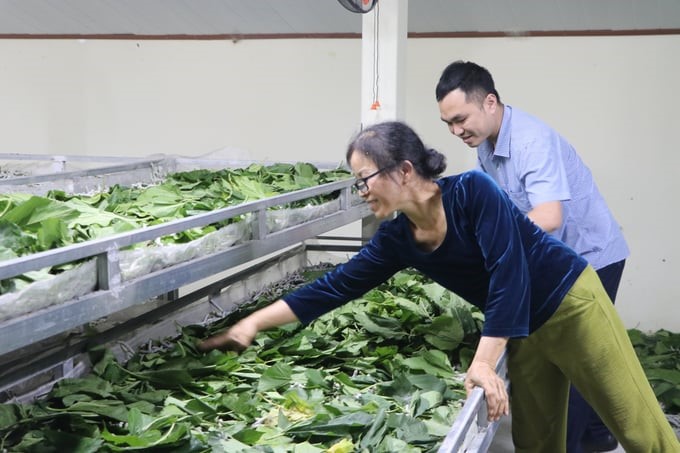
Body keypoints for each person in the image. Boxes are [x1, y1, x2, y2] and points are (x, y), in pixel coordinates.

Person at [198, 121, 678, 453]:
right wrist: (253, 322)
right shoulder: (396, 239)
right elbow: (335, 287)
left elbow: (510, 276)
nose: (361, 192)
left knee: (634, 422)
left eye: (364, 180)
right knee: (537, 438)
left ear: (405, 170)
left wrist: (483, 364)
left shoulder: (474, 192)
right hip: (521, 326)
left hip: (569, 302)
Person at [435, 60, 630, 453]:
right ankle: (597, 437)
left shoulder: (530, 142)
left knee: (570, 363)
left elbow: (549, 217)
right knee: (577, 355)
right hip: (555, 258)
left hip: (591, 257)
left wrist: (493, 246)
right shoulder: (487, 145)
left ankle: (573, 444)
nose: (456, 131)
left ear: (490, 102)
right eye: (448, 124)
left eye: (460, 119)